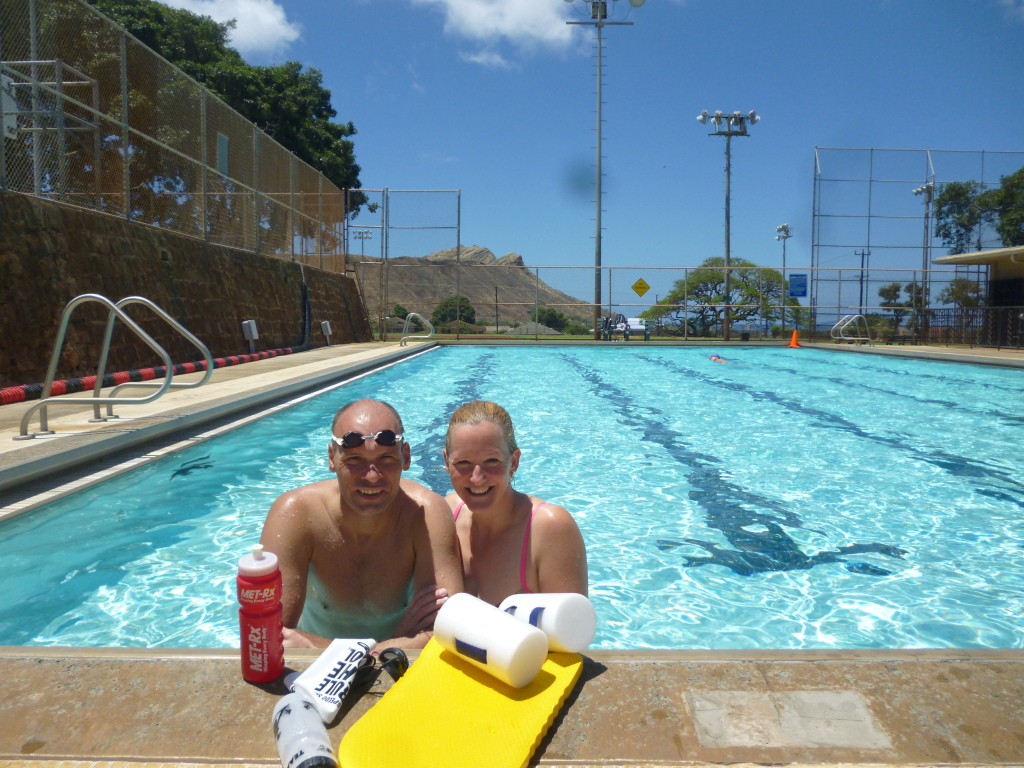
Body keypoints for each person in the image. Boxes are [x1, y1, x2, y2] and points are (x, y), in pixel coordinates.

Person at [260, 399, 463, 649]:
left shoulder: (426, 514)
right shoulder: (296, 514)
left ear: (406, 457)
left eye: (386, 458)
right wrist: (395, 644)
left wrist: (322, 648)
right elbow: (267, 636)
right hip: (318, 672)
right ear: (332, 458)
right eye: (354, 459)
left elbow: (448, 633)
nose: (371, 476)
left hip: (389, 669)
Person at [442, 400, 588, 606]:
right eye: (463, 463)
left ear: (514, 462)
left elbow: (572, 632)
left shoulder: (550, 528)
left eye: (492, 461)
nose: (477, 478)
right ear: (447, 462)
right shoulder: (446, 516)